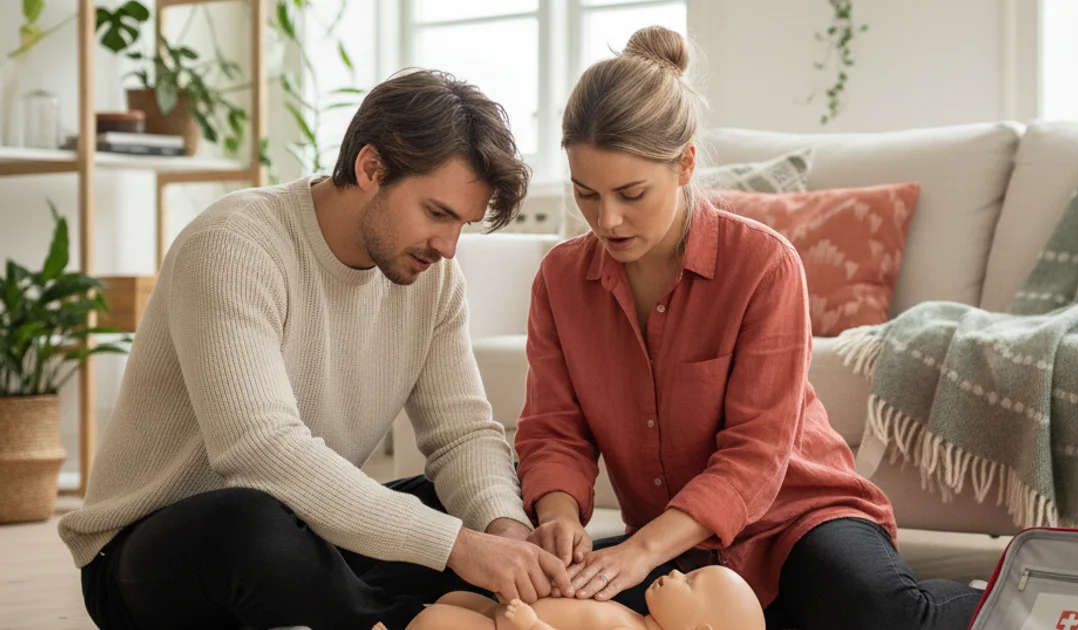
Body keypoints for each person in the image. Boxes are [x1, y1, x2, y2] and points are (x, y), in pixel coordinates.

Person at [59, 69, 573, 630]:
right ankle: (408, 621)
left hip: (303, 529)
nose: (448, 247)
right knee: (253, 524)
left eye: (463, 224)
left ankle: (405, 612)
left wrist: (505, 534)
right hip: (159, 554)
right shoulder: (233, 245)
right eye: (437, 213)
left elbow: (462, 434)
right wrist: (461, 549)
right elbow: (260, 451)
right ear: (371, 168)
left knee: (474, 501)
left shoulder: (435, 280)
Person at [514, 26, 983, 630]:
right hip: (678, 544)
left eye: (631, 194)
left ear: (685, 164)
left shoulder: (765, 264)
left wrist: (639, 553)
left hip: (799, 517)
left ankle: (999, 601)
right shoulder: (560, 280)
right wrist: (557, 516)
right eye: (586, 194)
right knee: (550, 610)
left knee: (882, 616)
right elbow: (554, 431)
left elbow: (756, 455)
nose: (607, 220)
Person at [396, 564, 764, 630]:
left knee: (435, 622)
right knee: (453, 599)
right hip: (506, 613)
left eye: (691, 582)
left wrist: (533, 625)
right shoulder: (638, 620)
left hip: (517, 626)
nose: (676, 573)